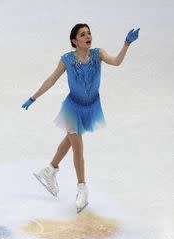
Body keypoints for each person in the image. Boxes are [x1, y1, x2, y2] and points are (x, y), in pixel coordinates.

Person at [22, 24, 140, 213]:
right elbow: (51, 80)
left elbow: (116, 61)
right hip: (73, 108)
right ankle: (82, 188)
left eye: (89, 33)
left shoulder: (98, 54)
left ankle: (50, 170)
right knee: (78, 147)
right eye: (83, 34)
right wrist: (33, 97)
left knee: (69, 140)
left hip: (91, 106)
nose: (88, 36)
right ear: (74, 41)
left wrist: (126, 43)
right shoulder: (67, 60)